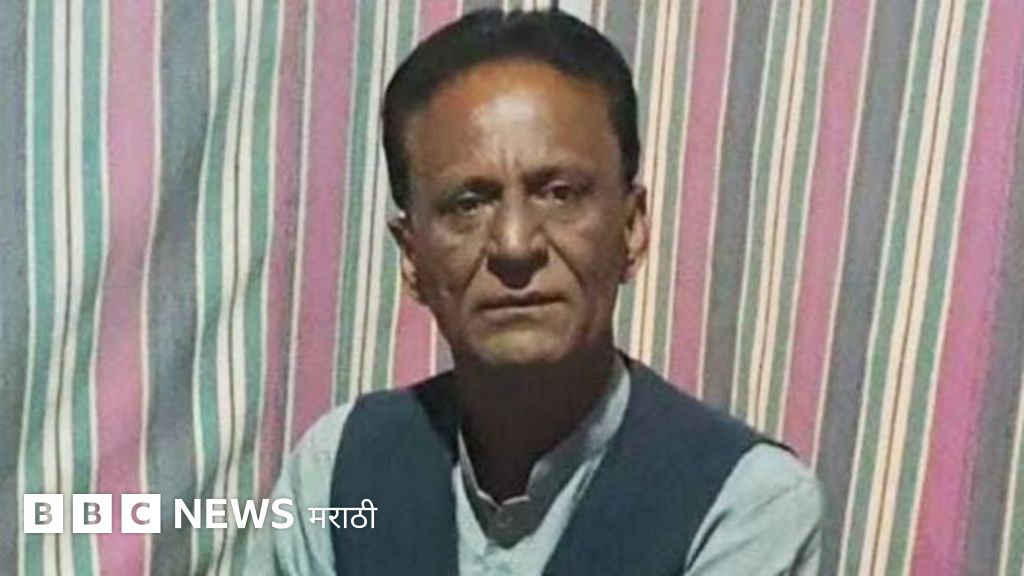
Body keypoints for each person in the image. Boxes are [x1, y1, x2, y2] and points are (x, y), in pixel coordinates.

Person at [256, 8, 823, 575]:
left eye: (560, 193)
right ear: (411, 257)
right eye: (468, 204)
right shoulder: (336, 474)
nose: (514, 244)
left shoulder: (743, 504)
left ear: (631, 228)